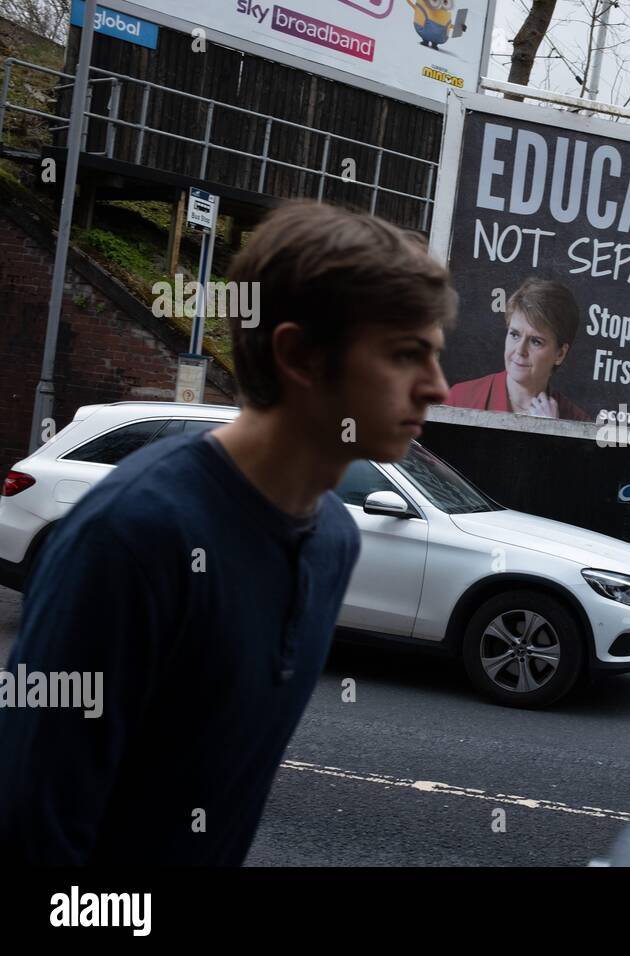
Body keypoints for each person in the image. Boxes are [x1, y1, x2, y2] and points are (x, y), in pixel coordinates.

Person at [0, 201, 457, 864]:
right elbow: (28, 830)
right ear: (299, 355)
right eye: (406, 355)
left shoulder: (334, 538)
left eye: (435, 355)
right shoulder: (132, 538)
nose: (438, 387)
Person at [447, 277, 590, 420]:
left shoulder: (579, 422)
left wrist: (552, 431)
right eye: (514, 335)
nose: (520, 350)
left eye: (536, 341)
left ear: (560, 354)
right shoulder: (459, 399)